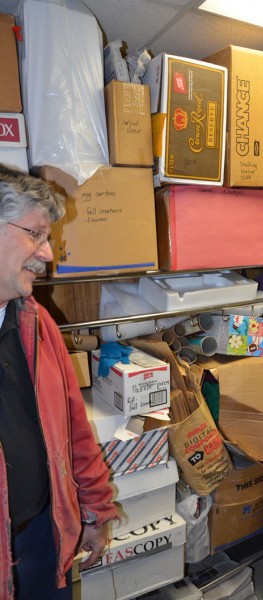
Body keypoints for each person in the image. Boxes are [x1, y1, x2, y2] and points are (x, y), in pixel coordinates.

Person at [0, 163, 119, 600]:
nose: (48, 253)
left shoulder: (37, 322)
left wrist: (94, 510)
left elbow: (74, 429)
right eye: (35, 234)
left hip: (44, 539)